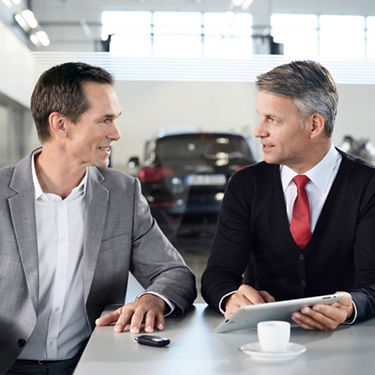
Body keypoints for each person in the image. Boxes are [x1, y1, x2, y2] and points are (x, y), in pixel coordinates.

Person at [0, 62, 196, 375]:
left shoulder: (122, 193)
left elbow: (175, 273)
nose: (115, 134)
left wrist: (152, 298)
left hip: (90, 363)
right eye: (104, 120)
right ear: (61, 125)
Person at [201, 60, 375, 331]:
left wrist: (351, 306)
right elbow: (217, 276)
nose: (259, 130)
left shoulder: (368, 185)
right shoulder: (246, 185)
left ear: (314, 125)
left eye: (272, 119)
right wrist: (230, 298)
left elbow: (372, 284)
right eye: (260, 116)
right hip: (262, 345)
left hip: (346, 344)